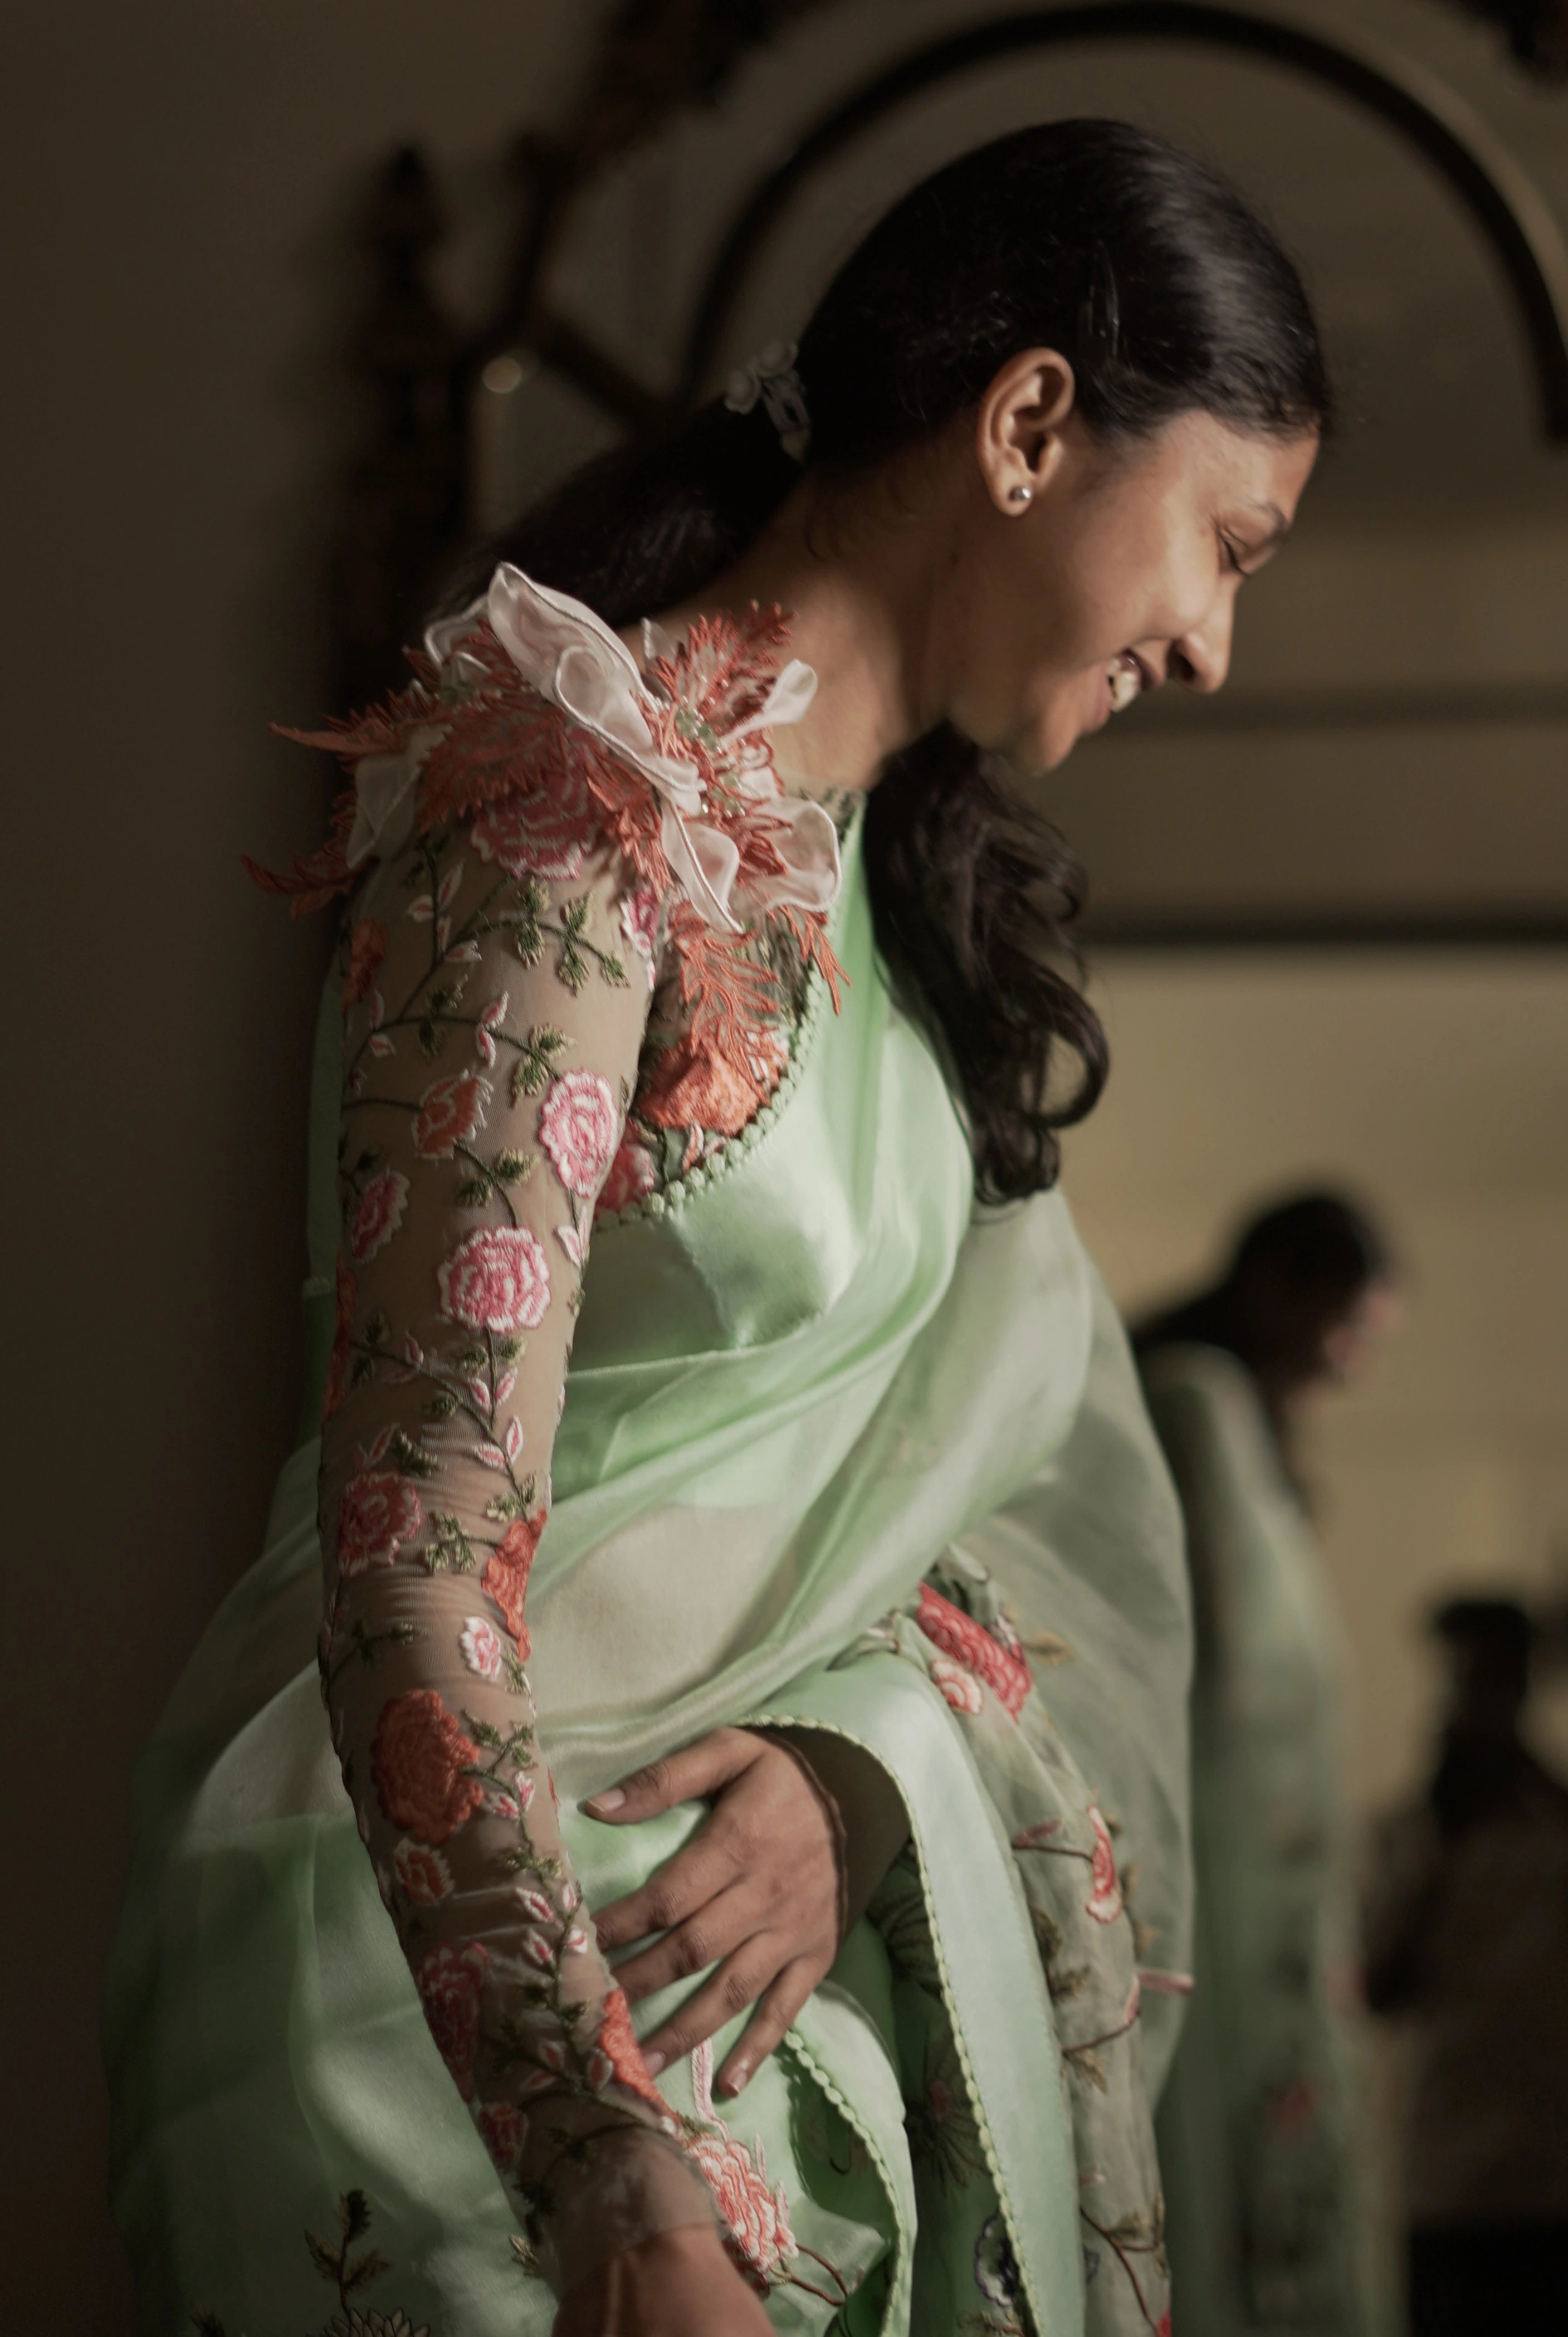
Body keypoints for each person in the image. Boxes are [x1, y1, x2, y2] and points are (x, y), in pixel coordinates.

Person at [104, 120, 1325, 2337]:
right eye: (1226, 545)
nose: (1217, 647)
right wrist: (609, 2172)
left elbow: (953, 1527)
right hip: (452, 2031)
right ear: (1031, 422)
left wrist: (864, 1777)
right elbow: (414, 1548)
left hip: (751, 1991)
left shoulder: (892, 893)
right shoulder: (563, 808)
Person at [1134, 1194, 1400, 2337]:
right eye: (1343, 1326)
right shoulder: (1194, 1408)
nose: (1349, 1364)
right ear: (1279, 1291)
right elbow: (1214, 1705)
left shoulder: (1239, 1429)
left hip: (1273, 1888)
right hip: (1222, 1885)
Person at [1364, 1595, 1568, 2334]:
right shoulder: (1411, 1835)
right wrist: (1437, 1850)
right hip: (1446, 2178)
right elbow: (1375, 1988)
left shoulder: (1556, 1831)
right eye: (1463, 1682)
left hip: (1549, 2181)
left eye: (1494, 1682)